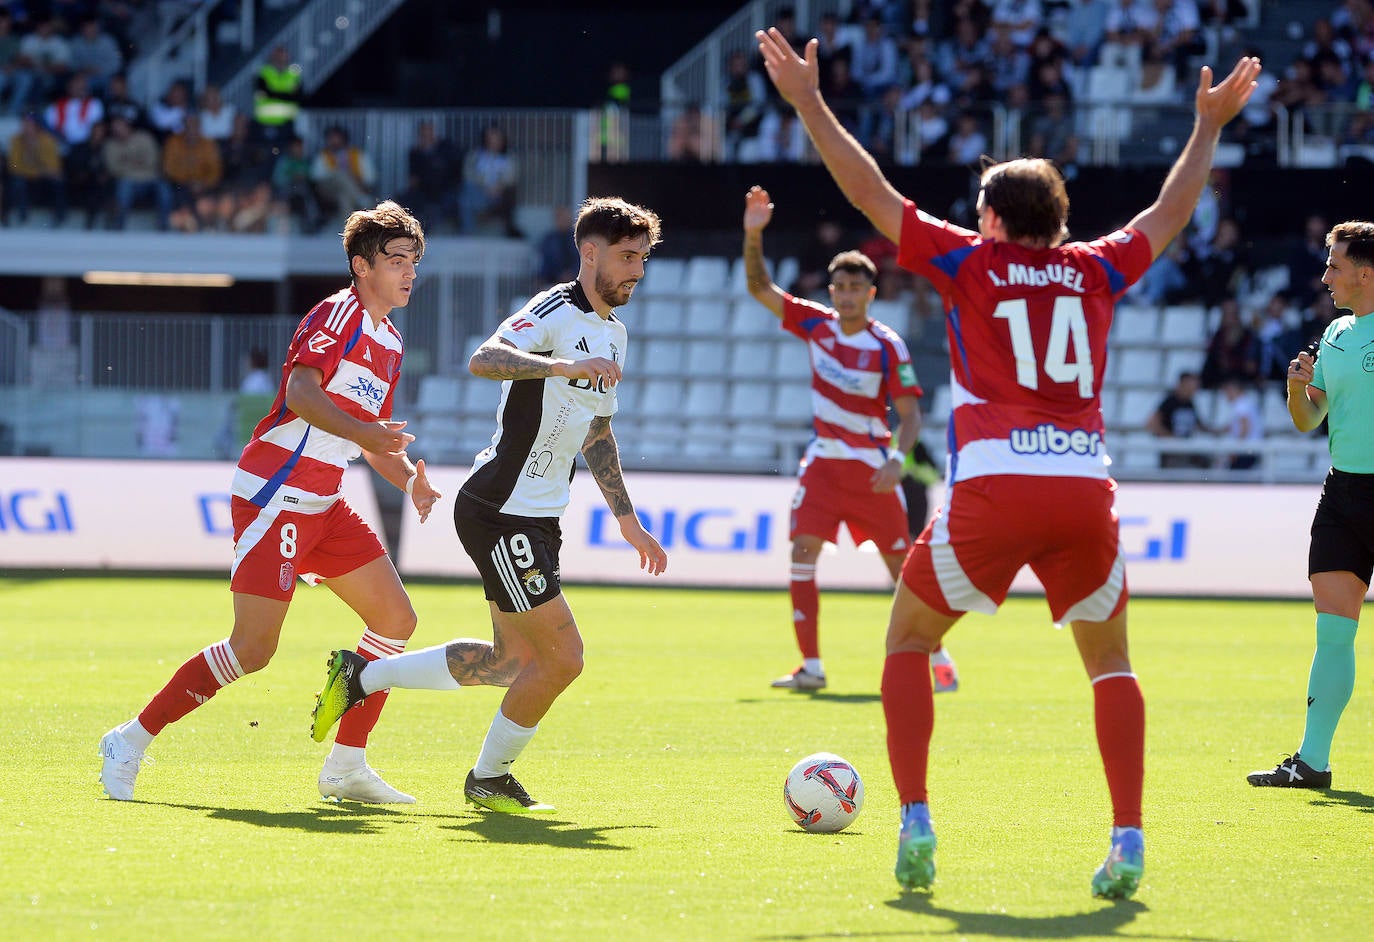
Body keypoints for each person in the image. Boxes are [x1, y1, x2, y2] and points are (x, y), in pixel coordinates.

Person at [755, 24, 1259, 898]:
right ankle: (1128, 840)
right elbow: (1169, 216)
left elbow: (871, 192)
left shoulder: (971, 260)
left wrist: (808, 101)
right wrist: (1207, 126)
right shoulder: (1096, 266)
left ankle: (915, 818)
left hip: (993, 484)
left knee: (908, 642)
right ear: (1059, 219)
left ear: (990, 216)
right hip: (1083, 489)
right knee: (1113, 666)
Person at [309, 196, 668, 814]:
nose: (636, 269)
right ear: (589, 253)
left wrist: (628, 521)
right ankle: (489, 778)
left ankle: (359, 675)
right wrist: (562, 364)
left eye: (642, 257)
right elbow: (484, 359)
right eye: (626, 255)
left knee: (510, 663)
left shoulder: (615, 332)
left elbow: (598, 433)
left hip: (538, 514)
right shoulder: (556, 310)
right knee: (564, 659)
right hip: (502, 509)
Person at [99, 201, 442, 804]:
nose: (409, 272)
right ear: (361, 266)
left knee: (395, 621)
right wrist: (367, 437)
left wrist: (410, 478)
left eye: (414, 261)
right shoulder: (337, 313)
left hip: (323, 501)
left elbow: (368, 434)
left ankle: (345, 767)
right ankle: (129, 739)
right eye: (396, 260)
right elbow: (302, 393)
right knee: (253, 651)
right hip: (275, 494)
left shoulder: (390, 341)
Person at [742, 185, 958, 695]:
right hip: (823, 466)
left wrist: (898, 461)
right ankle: (811, 665)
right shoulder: (816, 326)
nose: (845, 295)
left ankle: (937, 652)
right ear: (832, 290)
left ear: (871, 293)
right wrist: (753, 235)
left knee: (899, 571)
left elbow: (910, 416)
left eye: (855, 288)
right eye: (838, 286)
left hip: (870, 470)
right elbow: (759, 288)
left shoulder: (887, 345)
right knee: (801, 552)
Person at [1247, 220, 1374, 790]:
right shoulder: (1337, 333)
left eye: (1335, 266)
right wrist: (1299, 387)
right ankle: (1312, 762)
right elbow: (1309, 420)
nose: (1325, 277)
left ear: (1365, 274)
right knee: (1333, 634)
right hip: (1343, 493)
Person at [1146, 370, 1213, 468]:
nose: (1194, 389)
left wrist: (1217, 431)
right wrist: (1170, 438)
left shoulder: (1190, 403)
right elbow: (1151, 423)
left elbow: (1199, 424)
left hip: (1185, 448)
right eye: (1192, 385)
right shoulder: (1170, 402)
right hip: (1171, 451)